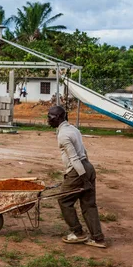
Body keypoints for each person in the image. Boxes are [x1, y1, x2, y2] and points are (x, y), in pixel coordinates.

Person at [47, 105, 106, 248]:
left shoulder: (63, 135)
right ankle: (98, 239)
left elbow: (74, 158)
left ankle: (78, 233)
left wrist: (84, 179)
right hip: (87, 166)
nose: (48, 120)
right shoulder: (73, 129)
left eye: (51, 117)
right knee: (89, 205)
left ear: (60, 117)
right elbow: (84, 151)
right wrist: (87, 170)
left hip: (78, 170)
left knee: (64, 200)